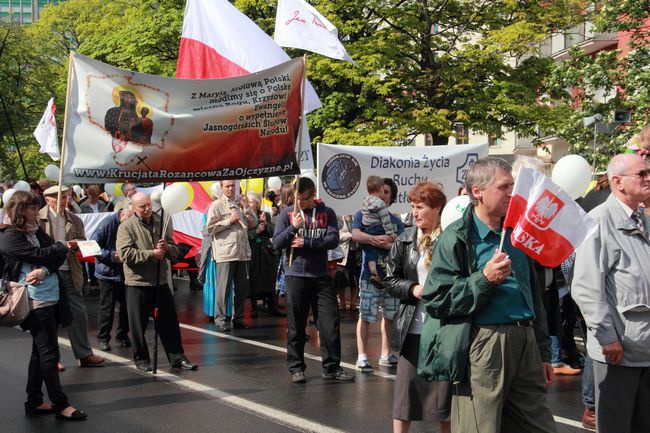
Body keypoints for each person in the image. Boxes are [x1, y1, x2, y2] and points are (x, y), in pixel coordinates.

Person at [421, 157, 555, 433]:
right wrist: (483, 279)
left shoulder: (517, 232)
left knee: (539, 426)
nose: (511, 193)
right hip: (485, 342)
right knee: (480, 427)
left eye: (513, 186)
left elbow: (534, 297)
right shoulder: (457, 237)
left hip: (525, 340)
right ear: (477, 192)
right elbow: (437, 300)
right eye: (504, 187)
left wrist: (543, 351)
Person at [572, 154, 650, 433]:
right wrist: (606, 337)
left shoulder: (643, 218)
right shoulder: (599, 221)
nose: (648, 177)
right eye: (641, 173)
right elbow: (585, 287)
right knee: (616, 425)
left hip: (644, 347)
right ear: (617, 182)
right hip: (620, 349)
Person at [0, 191, 87, 421]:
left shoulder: (36, 230)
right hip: (33, 301)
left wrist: (45, 269)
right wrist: (60, 247)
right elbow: (42, 253)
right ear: (20, 211)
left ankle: (34, 401)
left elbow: (53, 258)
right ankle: (61, 405)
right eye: (30, 208)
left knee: (40, 353)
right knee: (49, 353)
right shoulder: (9, 236)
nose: (35, 211)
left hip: (51, 296)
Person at [272, 177, 354, 384]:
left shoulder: (327, 213)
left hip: (320, 275)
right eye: (298, 198)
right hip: (296, 274)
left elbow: (333, 239)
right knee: (296, 325)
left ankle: (332, 366)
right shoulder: (286, 214)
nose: (301, 203)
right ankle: (296, 367)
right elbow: (276, 243)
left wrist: (307, 242)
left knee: (329, 323)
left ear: (313, 195)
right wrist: (292, 228)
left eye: (305, 199)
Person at [384, 182, 451, 433]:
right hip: (412, 327)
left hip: (443, 328)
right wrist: (413, 289)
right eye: (412, 206)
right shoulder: (404, 239)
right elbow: (390, 279)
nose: (415, 212)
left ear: (437, 208)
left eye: (420, 206)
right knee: (405, 395)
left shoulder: (450, 239)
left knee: (444, 397)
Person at [116, 192, 198, 372]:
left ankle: (177, 357)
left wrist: (168, 248)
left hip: (160, 280)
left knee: (169, 322)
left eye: (148, 205)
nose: (147, 209)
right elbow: (125, 254)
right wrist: (150, 254)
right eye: (142, 206)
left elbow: (173, 250)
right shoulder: (126, 227)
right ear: (133, 208)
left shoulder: (161, 222)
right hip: (138, 282)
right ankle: (141, 358)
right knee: (138, 324)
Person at [38, 186, 104, 370]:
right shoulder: (38, 219)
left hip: (70, 271)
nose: (66, 200)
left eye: (67, 196)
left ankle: (84, 354)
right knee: (49, 317)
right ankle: (52, 357)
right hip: (47, 272)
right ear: (48, 199)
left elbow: (83, 242)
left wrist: (77, 246)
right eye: (61, 197)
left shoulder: (74, 219)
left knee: (78, 314)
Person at [352, 177, 404, 373]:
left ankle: (386, 353)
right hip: (370, 277)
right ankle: (362, 356)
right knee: (365, 315)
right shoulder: (362, 214)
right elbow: (356, 234)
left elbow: (400, 247)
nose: (383, 195)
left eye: (387, 192)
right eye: (382, 191)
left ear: (391, 197)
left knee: (389, 316)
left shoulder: (397, 221)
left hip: (391, 277)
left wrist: (387, 244)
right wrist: (375, 239)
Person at [205, 180, 256, 332]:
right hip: (226, 253)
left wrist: (246, 207)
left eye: (233, 186)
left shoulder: (240, 203)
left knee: (242, 288)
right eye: (227, 186)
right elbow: (210, 229)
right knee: (223, 288)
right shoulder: (217, 205)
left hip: (242, 253)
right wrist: (228, 221)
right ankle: (220, 319)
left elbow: (252, 223)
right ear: (221, 188)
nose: (230, 188)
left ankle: (238, 318)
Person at [91, 208, 132, 352]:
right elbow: (92, 246)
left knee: (127, 306)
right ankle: (103, 338)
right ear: (122, 215)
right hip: (108, 272)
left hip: (125, 272)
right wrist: (112, 256)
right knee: (107, 308)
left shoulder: (129, 222)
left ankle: (122, 335)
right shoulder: (107, 224)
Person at [246, 192, 281, 317]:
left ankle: (272, 306)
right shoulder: (245, 216)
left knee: (269, 278)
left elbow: (272, 232)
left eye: (251, 202)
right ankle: (254, 308)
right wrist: (256, 231)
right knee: (254, 279)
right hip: (253, 251)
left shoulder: (264, 214)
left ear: (257, 203)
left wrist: (266, 224)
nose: (249, 204)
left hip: (266, 251)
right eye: (248, 202)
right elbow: (245, 234)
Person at [360, 175, 397, 287]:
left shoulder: (365, 201)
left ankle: (373, 272)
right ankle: (374, 274)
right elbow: (385, 220)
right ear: (380, 189)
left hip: (366, 228)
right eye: (383, 191)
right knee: (374, 252)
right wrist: (390, 233)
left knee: (370, 253)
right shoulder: (380, 204)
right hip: (377, 229)